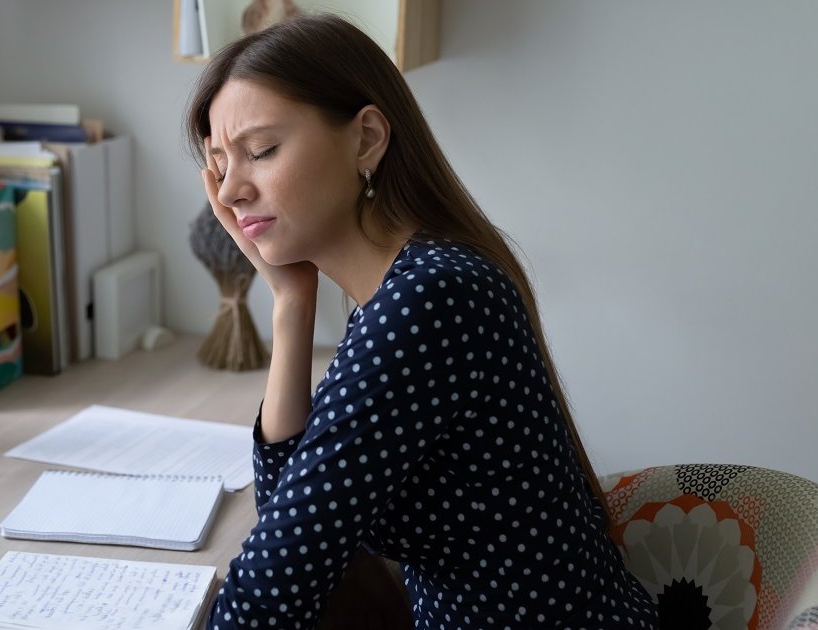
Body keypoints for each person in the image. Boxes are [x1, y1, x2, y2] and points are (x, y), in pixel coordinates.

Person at [186, 14, 660, 630]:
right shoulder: (400, 289)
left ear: (366, 139)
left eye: (261, 151)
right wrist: (290, 302)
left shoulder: (430, 299)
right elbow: (290, 516)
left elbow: (274, 591)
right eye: (221, 164)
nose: (231, 193)